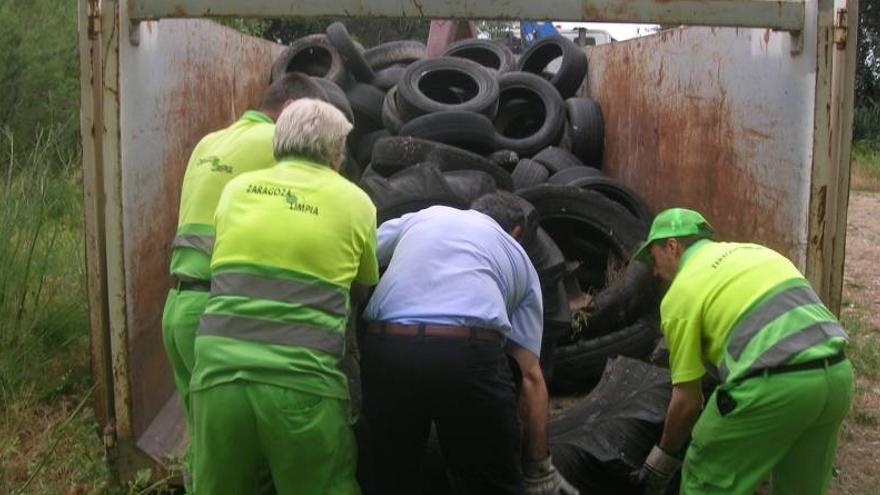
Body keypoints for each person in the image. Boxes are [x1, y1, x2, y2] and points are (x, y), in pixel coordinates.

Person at [188, 98, 378, 494]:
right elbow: (362, 285)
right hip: (302, 384)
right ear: (336, 151)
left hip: (217, 378)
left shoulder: (235, 191)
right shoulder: (356, 202)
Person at [160, 73, 327, 483]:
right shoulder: (275, 146)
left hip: (179, 309)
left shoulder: (208, 142)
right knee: (244, 456)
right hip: (218, 314)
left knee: (204, 447)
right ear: (290, 111)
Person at [360, 192, 577, 495]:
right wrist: (539, 468)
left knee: (386, 479)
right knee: (492, 483)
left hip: (390, 347)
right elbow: (530, 377)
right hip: (468, 356)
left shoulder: (426, 216)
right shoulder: (520, 259)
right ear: (516, 231)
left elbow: (360, 249)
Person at [631, 208, 853, 495]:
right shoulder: (756, 253)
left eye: (653, 258)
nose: (654, 271)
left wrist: (662, 458)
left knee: (705, 477)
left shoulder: (680, 293)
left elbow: (687, 402)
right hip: (837, 377)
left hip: (774, 386)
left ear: (672, 246)